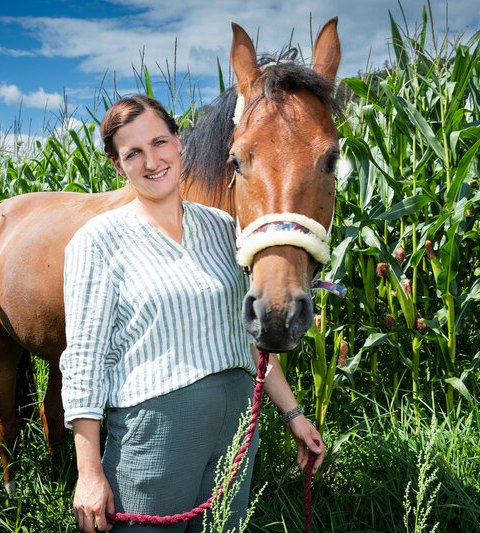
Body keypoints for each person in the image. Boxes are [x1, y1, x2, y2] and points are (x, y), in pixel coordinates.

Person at [61, 95, 325, 533]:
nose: (152, 160)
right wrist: (88, 473)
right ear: (118, 165)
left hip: (238, 427)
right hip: (156, 436)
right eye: (134, 153)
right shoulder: (98, 240)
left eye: (160, 142)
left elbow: (248, 339)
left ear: (180, 143)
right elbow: (84, 362)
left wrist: (293, 414)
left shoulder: (224, 229)